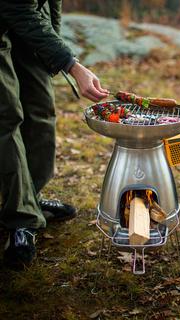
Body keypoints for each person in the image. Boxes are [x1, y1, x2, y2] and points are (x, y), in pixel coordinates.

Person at [0, 0, 109, 269]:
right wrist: (71, 64)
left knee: (40, 109)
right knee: (7, 116)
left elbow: (52, 3)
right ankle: (20, 220)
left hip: (31, 13)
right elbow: (17, 8)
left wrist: (53, 55)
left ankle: (30, 197)